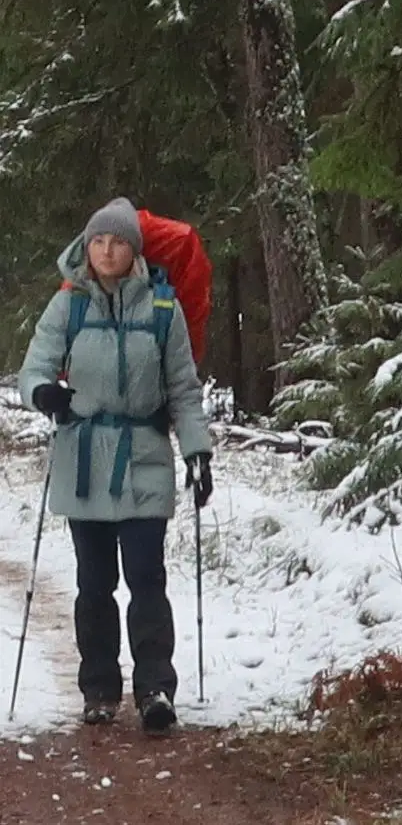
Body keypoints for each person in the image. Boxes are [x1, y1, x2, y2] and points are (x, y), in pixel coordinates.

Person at [18, 197, 213, 732]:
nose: (107, 250)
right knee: (95, 581)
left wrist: (198, 452)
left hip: (145, 457)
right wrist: (43, 394)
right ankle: (100, 689)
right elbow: (32, 367)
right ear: (86, 246)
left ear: (134, 250)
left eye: (119, 241)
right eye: (99, 241)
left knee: (146, 576)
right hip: (83, 461)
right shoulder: (69, 305)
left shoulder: (163, 309)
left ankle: (155, 690)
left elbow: (184, 390)